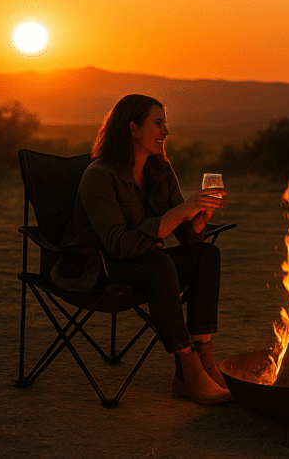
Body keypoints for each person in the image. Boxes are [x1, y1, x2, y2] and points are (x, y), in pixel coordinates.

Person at [52, 94, 231, 405]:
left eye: (165, 123)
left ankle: (204, 359)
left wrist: (200, 217)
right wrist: (181, 210)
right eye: (158, 123)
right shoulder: (100, 175)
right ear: (133, 129)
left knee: (206, 255)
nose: (166, 131)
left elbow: (185, 236)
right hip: (96, 268)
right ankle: (187, 370)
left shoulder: (160, 170)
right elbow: (119, 246)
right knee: (159, 263)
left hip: (141, 261)